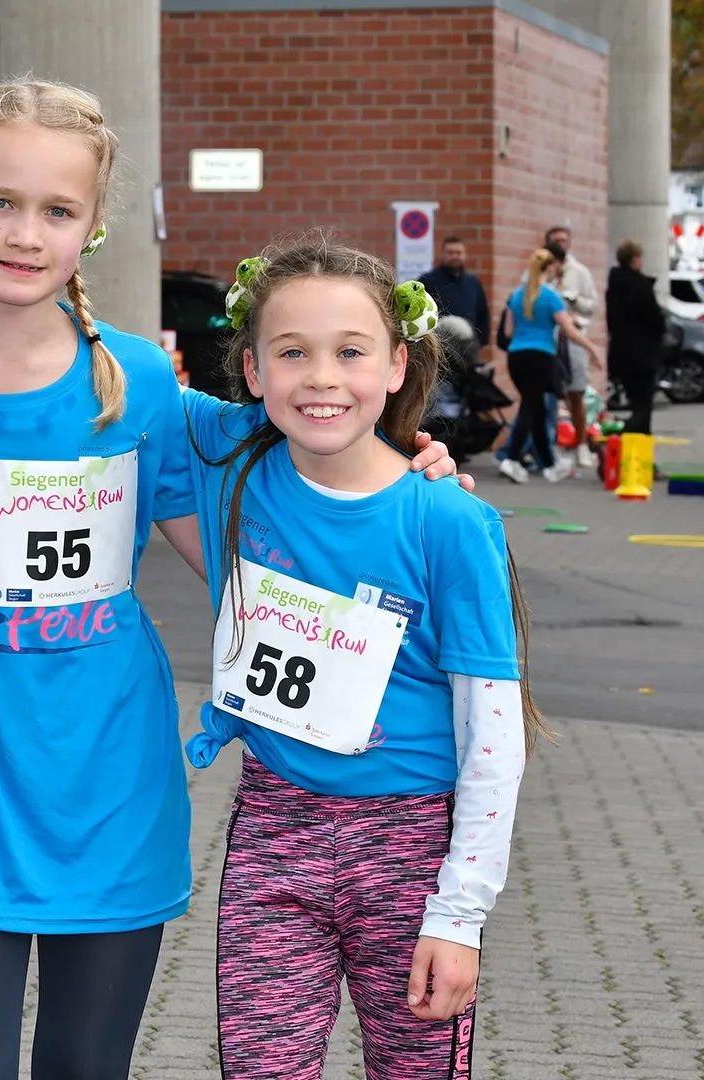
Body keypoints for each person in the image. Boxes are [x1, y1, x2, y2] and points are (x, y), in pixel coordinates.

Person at [0, 76, 465, 1080]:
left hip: (113, 790)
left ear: (91, 225)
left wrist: (415, 484)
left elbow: (294, 487)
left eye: (58, 210)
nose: (25, 233)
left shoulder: (141, 386)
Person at [181, 237, 549, 1079]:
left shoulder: (448, 520)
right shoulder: (228, 456)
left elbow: (494, 737)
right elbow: (83, 368)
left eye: (350, 352)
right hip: (273, 829)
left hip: (411, 846)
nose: (321, 378)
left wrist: (459, 917)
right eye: (292, 353)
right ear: (252, 369)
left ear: (395, 365)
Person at [496, 249, 602, 484]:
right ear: (551, 268)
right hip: (540, 356)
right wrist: (592, 349)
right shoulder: (551, 297)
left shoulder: (517, 296)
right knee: (529, 407)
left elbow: (508, 332)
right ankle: (511, 459)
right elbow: (569, 331)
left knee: (537, 409)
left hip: (516, 357)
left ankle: (549, 465)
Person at [544, 225, 600, 469]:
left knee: (576, 391)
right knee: (549, 393)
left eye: (563, 240)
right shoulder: (538, 269)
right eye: (555, 240)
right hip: (549, 338)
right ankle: (550, 446)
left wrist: (573, 301)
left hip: (574, 336)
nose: (560, 243)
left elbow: (592, 305)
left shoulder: (580, 272)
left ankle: (581, 444)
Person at [605, 239, 667, 436]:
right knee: (644, 406)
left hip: (621, 352)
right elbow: (654, 318)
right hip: (643, 353)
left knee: (636, 401)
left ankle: (639, 447)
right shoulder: (641, 286)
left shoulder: (613, 286)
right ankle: (623, 434)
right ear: (635, 259)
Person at [418, 235, 490, 347]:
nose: (455, 256)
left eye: (458, 253)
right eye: (450, 253)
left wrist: (480, 340)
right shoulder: (427, 281)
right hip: (439, 345)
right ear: (443, 254)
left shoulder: (473, 283)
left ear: (465, 255)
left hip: (468, 345)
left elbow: (482, 313)